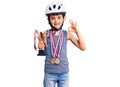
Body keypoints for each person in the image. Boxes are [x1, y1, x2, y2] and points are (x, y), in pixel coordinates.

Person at [38, 2, 86, 87]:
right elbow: (42, 49)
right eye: (53, 18)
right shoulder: (45, 34)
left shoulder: (66, 34)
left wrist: (77, 31)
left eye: (59, 17)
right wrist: (40, 46)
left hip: (64, 73)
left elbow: (83, 47)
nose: (56, 21)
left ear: (64, 18)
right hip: (49, 73)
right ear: (48, 19)